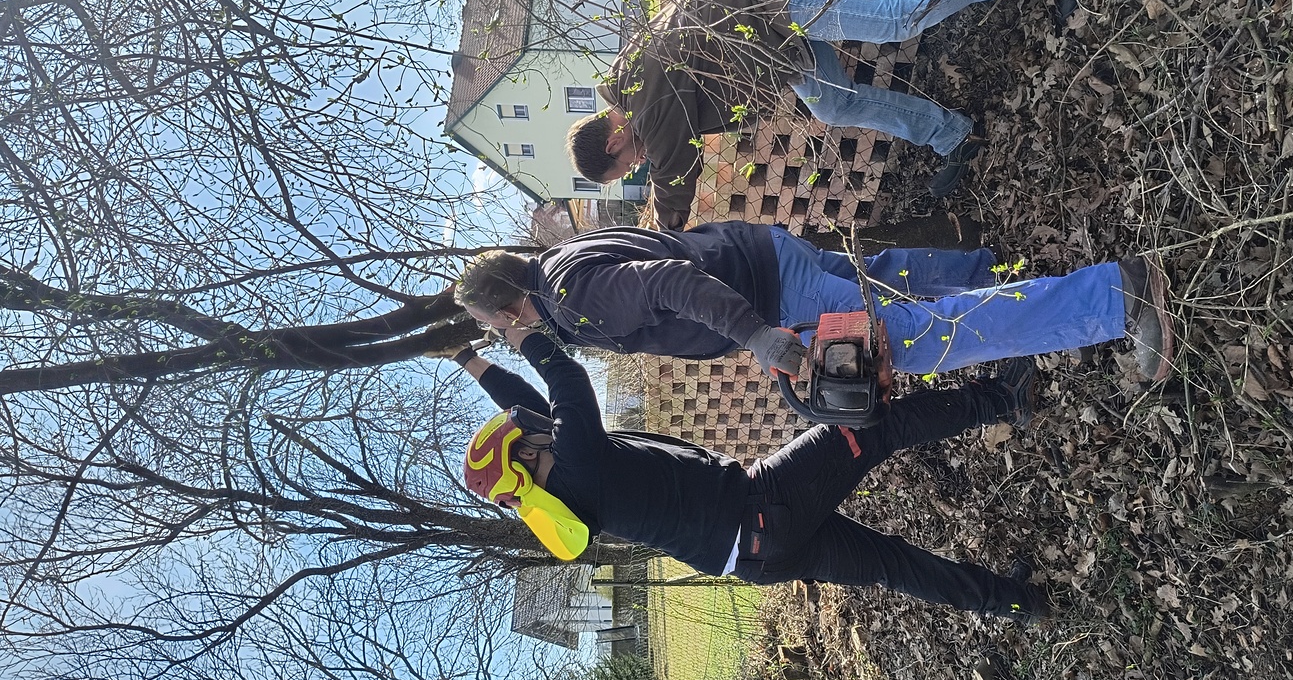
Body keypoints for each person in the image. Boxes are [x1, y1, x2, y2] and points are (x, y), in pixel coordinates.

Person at [438, 325, 1051, 622]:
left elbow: (530, 403)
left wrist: (466, 357)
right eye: (523, 434)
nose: (533, 425)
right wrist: (518, 327)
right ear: (524, 458)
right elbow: (564, 379)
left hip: (759, 556)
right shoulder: (578, 461)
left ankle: (1016, 602)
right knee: (873, 427)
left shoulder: (569, 494)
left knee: (893, 566)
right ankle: (1003, 400)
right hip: (763, 504)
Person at [567, 0, 1063, 229]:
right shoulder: (635, 86)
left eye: (627, 165)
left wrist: (667, 232)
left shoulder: (642, 99)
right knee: (833, 104)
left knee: (900, 17)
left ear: (613, 142)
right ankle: (952, 134)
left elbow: (674, 167)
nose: (638, 164)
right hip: (773, 39)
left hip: (769, 1)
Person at [454, 221, 1174, 382]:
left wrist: (757, 336)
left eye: (492, 325)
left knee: (914, 339)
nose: (501, 335)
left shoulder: (569, 297)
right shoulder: (563, 257)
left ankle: (1119, 296)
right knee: (890, 281)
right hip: (762, 255)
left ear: (506, 308)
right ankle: (996, 271)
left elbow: (668, 283)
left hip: (769, 293)